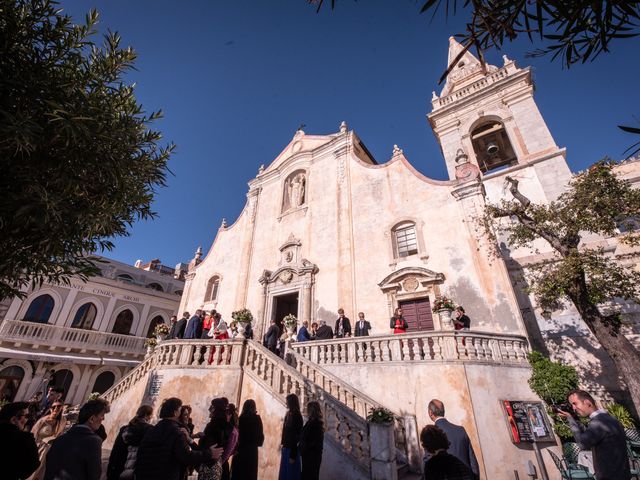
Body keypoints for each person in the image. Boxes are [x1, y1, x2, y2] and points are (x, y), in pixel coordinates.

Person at [135, 397, 222, 480]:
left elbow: (141, 453)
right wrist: (209, 453)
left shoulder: (152, 429)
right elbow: (186, 456)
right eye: (180, 410)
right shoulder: (176, 432)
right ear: (175, 413)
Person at [557, 389, 631, 480]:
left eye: (575, 403)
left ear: (587, 402)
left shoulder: (599, 422)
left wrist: (570, 419)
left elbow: (582, 444)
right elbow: (588, 435)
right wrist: (574, 420)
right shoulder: (607, 418)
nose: (573, 408)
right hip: (621, 474)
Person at [45, 398, 110, 480]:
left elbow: (49, 465)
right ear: (92, 419)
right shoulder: (93, 441)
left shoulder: (60, 439)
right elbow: (94, 474)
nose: (103, 419)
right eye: (102, 415)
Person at [427, 399, 479, 478]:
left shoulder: (431, 435)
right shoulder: (461, 430)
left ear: (431, 413)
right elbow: (473, 462)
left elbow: (428, 468)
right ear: (443, 411)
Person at [111, 405, 154, 480]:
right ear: (146, 415)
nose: (151, 417)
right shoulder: (149, 430)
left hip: (119, 467)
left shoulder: (125, 429)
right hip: (136, 470)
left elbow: (115, 450)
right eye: (151, 415)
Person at [0, 401, 40, 480]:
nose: (27, 420)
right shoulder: (25, 439)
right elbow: (34, 464)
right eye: (26, 416)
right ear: (14, 420)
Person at [28, 401, 66, 480]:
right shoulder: (43, 420)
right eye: (53, 407)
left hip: (51, 450)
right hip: (39, 448)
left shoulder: (62, 421)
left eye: (58, 407)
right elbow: (33, 434)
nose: (55, 409)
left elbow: (60, 435)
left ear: (62, 408)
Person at [199, 397, 235, 480]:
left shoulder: (213, 425)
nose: (209, 409)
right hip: (217, 463)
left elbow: (206, 444)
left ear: (216, 409)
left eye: (212, 407)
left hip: (208, 463)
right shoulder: (228, 426)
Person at [231, 399, 264, 480]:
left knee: (238, 475)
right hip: (251, 453)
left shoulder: (240, 419)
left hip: (240, 451)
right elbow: (260, 440)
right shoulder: (257, 419)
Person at [279, 393, 303, 480]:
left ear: (292, 402)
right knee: (285, 474)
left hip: (292, 451)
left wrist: (293, 455)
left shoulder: (297, 416)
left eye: (287, 401)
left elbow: (297, 437)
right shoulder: (288, 414)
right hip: (286, 448)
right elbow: (285, 432)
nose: (286, 403)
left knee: (291, 475)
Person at [300, 401, 324, 480]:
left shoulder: (315, 424)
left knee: (310, 476)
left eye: (308, 409)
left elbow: (313, 441)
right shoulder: (311, 422)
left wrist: (304, 448)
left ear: (311, 411)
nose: (306, 410)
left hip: (312, 456)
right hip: (309, 455)